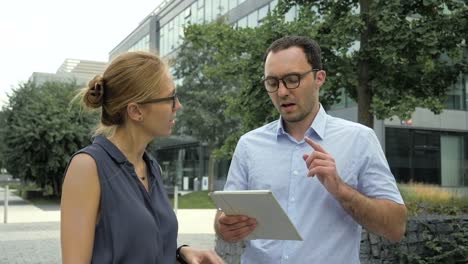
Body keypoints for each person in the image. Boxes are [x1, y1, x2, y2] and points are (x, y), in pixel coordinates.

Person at [214, 36, 407, 263]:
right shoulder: (249, 145)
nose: (282, 92)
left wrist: (342, 191)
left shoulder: (359, 139)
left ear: (319, 78)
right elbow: (224, 217)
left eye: (292, 79)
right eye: (272, 83)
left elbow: (396, 227)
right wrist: (223, 226)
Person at [61, 51, 224, 264]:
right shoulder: (88, 166)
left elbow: (142, 248)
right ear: (136, 111)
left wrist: (179, 254)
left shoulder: (152, 167)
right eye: (170, 98)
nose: (178, 106)